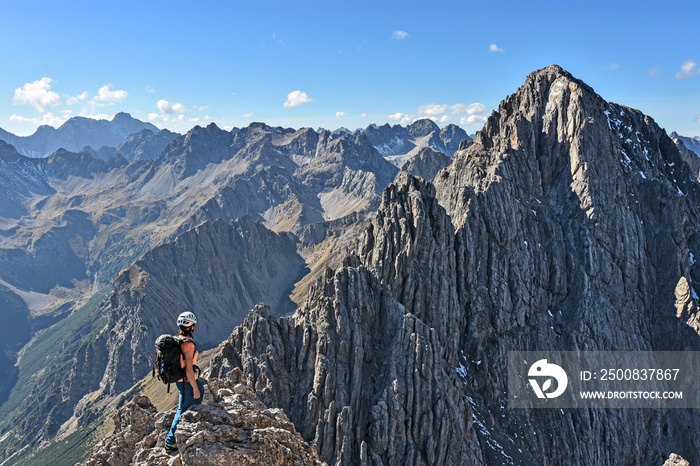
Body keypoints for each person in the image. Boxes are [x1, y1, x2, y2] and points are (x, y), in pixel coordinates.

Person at [164, 311, 204, 452]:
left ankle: (177, 436)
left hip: (180, 381)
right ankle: (171, 442)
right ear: (191, 327)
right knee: (183, 410)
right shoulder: (188, 344)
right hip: (187, 381)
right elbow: (189, 369)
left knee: (183, 407)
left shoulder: (177, 340)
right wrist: (196, 388)